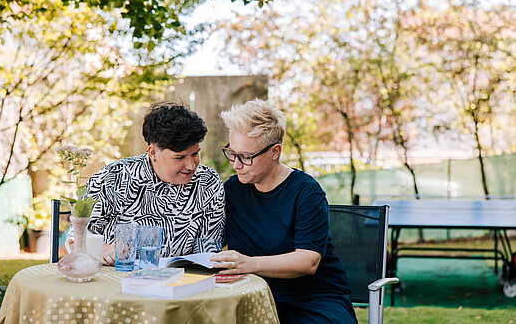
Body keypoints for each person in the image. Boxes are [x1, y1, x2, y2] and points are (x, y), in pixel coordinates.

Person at [210, 99, 357, 324]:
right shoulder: (232, 190)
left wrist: (250, 263)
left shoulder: (306, 191)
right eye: (232, 153)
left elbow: (308, 261)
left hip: (315, 298)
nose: (236, 164)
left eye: (246, 157)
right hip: (255, 294)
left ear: (275, 152)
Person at [84, 102, 225, 265]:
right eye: (180, 157)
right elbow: (74, 242)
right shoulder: (112, 178)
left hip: (181, 283)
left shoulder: (208, 183)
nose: (191, 166)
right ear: (153, 152)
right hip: (117, 280)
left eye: (195, 154)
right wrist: (104, 250)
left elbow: (209, 253)